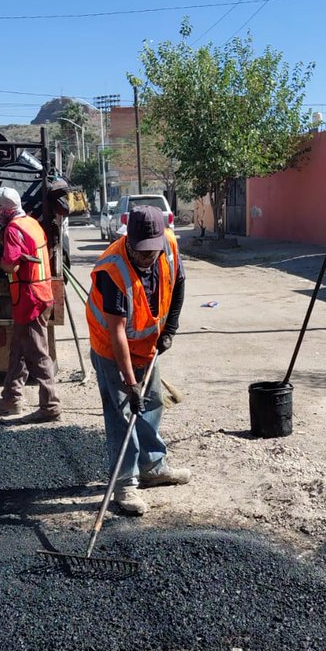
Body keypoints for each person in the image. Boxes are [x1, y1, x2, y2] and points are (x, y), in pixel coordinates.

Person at [87, 205, 190, 516]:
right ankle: (125, 483)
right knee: (122, 413)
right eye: (141, 252)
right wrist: (130, 384)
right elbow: (117, 332)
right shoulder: (112, 270)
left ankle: (153, 467)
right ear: (127, 241)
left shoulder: (168, 246)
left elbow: (179, 284)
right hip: (111, 348)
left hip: (147, 343)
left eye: (152, 252)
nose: (148, 258)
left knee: (153, 402)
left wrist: (169, 329)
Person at [0, 185, 60, 422]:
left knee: (39, 354)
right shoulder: (30, 223)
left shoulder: (15, 229)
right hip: (40, 294)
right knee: (18, 352)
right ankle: (11, 399)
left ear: (4, 210)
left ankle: (50, 406)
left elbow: (10, 264)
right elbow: (10, 242)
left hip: (29, 298)